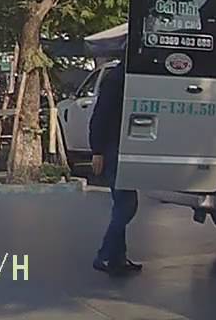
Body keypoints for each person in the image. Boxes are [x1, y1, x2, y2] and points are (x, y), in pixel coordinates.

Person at [89, 62, 143, 276]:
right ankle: (104, 255)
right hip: (114, 148)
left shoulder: (122, 77)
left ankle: (116, 257)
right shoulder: (116, 81)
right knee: (126, 204)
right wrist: (98, 150)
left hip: (118, 147)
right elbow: (100, 116)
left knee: (123, 203)